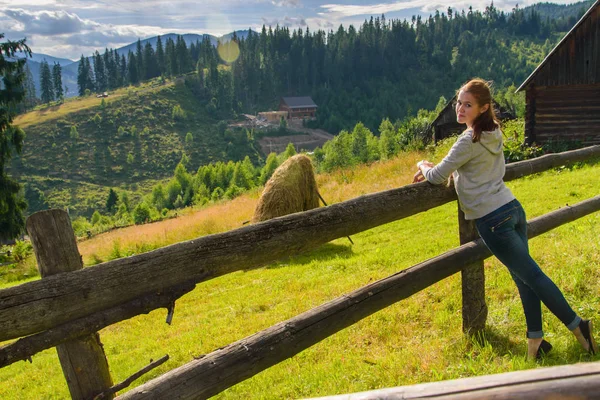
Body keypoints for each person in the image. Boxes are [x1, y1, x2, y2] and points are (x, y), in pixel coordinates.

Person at [413, 78, 598, 359]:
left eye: (468, 104)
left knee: (532, 276)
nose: (460, 109)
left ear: (483, 107)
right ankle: (535, 341)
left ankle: (578, 326)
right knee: (524, 278)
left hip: (493, 220)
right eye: (458, 103)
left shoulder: (468, 140)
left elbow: (437, 176)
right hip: (512, 209)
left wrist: (423, 165)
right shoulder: (493, 132)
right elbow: (477, 168)